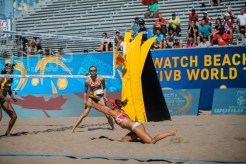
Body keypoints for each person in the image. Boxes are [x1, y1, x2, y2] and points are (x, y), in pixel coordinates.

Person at [87, 98, 177, 144]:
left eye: (111, 104)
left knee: (151, 141)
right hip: (134, 128)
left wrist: (92, 104)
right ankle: (139, 136)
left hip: (136, 128)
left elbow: (102, 109)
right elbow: (103, 108)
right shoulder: (121, 111)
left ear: (115, 106)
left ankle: (170, 132)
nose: (110, 105)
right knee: (123, 141)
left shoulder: (114, 112)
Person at [71, 66, 114, 133]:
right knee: (84, 114)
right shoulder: (87, 81)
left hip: (99, 97)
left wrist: (105, 96)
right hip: (91, 97)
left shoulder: (101, 79)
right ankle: (73, 129)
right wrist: (84, 100)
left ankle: (113, 128)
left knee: (107, 114)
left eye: (94, 70)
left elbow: (104, 87)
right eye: (91, 70)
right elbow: (85, 91)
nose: (92, 71)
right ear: (89, 72)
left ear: (96, 71)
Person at [0, 64, 18, 136]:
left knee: (14, 116)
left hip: (3, 99)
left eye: (13, 68)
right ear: (6, 69)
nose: (12, 69)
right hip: (2, 98)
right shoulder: (1, 77)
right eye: (11, 68)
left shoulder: (11, 78)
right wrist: (5, 98)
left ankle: (7, 132)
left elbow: (8, 89)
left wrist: (12, 96)